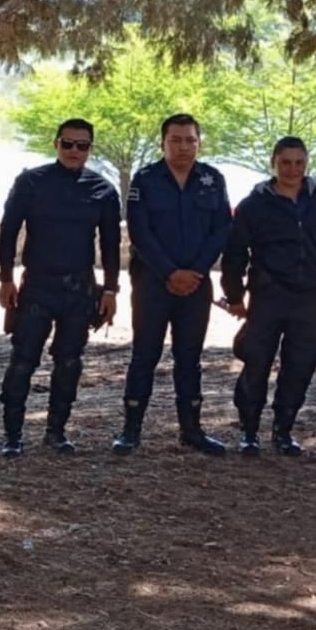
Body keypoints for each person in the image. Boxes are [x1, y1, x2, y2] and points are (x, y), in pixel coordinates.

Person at [221, 136, 316, 456]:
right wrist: (235, 295)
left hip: (310, 299)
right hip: (268, 297)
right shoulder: (254, 204)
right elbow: (235, 251)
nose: (292, 169)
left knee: (301, 364)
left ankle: (283, 430)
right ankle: (249, 431)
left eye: (299, 163)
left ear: (306, 164)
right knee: (256, 362)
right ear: (273, 163)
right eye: (285, 162)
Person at [0, 119, 120, 456]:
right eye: (68, 143)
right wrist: (5, 278)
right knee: (22, 360)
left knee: (69, 362)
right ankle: (12, 436)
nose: (74, 151)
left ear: (90, 149)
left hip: (80, 287)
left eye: (82, 145)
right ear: (56, 144)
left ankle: (56, 431)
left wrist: (111, 290)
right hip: (36, 284)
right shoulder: (30, 182)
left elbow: (111, 245)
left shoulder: (104, 190)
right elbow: (8, 231)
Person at [116, 113, 232, 456]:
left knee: (189, 357)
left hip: (196, 284)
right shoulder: (145, 179)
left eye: (190, 140)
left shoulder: (213, 179)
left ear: (199, 142)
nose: (184, 146)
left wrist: (195, 270)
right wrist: (170, 272)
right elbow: (140, 232)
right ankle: (131, 430)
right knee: (145, 354)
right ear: (163, 143)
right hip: (153, 282)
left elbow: (222, 229)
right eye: (176, 140)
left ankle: (192, 430)